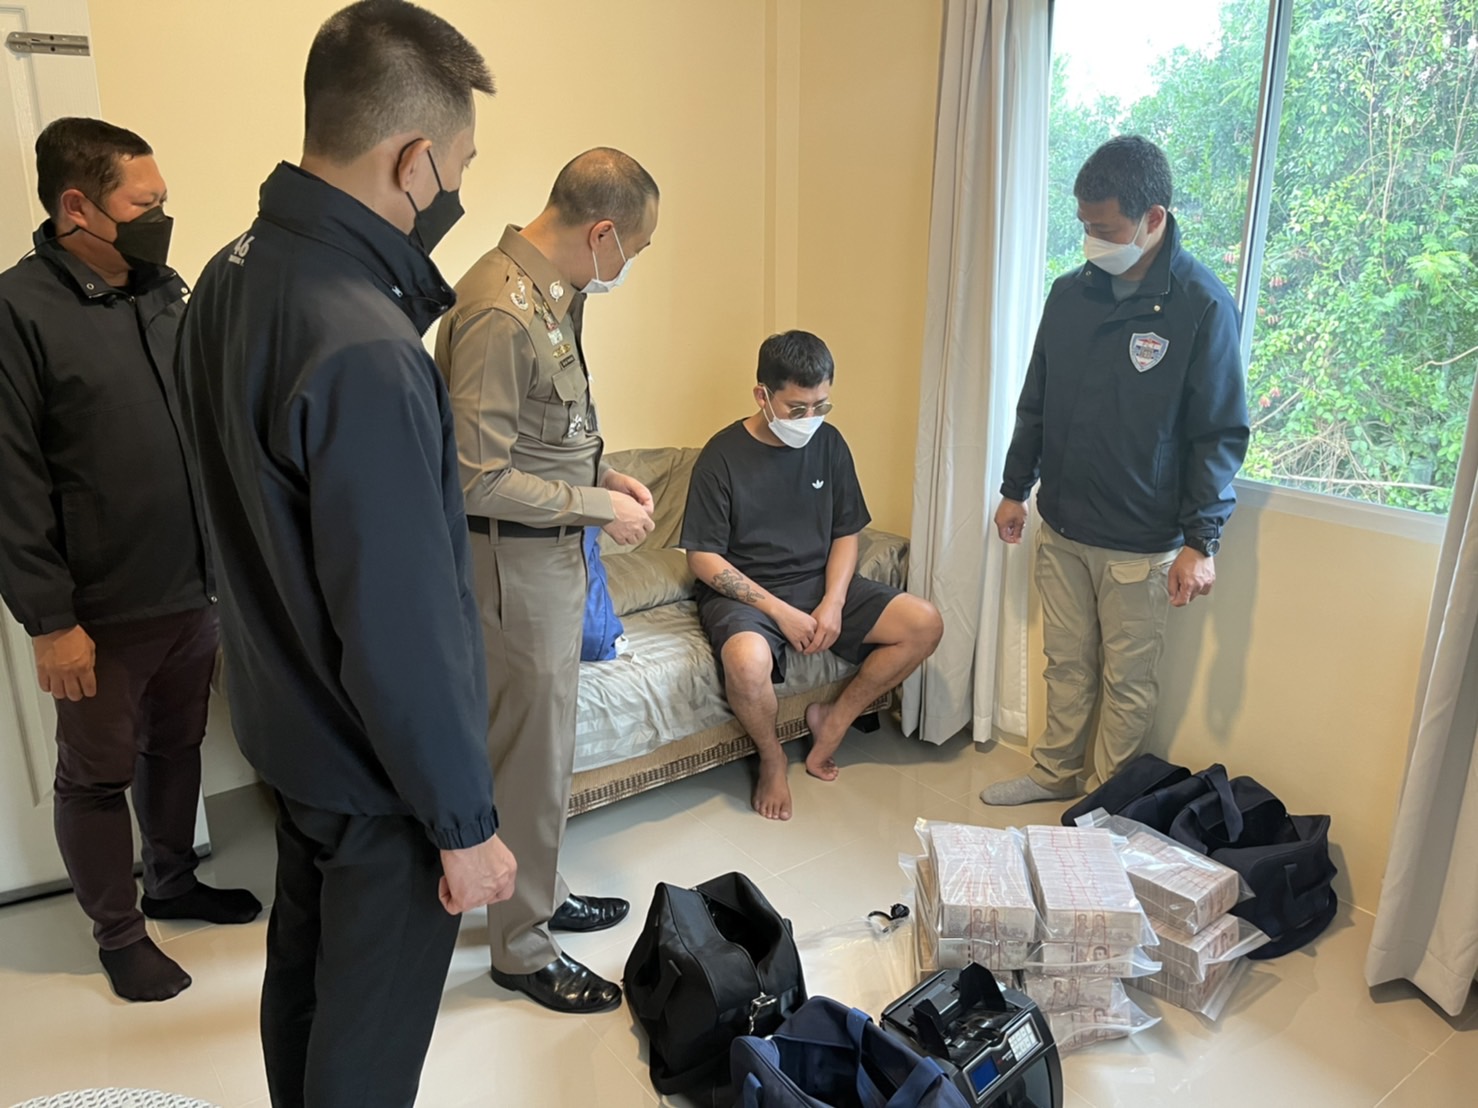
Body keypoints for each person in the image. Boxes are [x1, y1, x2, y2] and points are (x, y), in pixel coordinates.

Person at [175, 3, 515, 1102]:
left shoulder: (230, 273)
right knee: (365, 1040)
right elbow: (402, 624)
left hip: (290, 732)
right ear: (414, 161)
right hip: (379, 778)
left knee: (307, 983)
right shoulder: (365, 342)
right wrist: (463, 826)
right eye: (458, 165)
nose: (455, 190)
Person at [0, 117, 261, 1004]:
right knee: (95, 775)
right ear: (77, 207)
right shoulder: (18, 310)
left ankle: (174, 880)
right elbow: (12, 481)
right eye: (144, 205)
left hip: (194, 588)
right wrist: (51, 621)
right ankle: (119, 934)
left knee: (176, 745)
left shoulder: (163, 293)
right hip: (100, 611)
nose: (162, 220)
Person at [436, 147, 659, 1015]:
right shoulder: (499, 310)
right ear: (602, 233)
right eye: (634, 249)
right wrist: (597, 505)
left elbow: (548, 432)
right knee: (526, 756)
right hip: (511, 564)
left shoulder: (550, 294)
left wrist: (608, 478)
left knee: (546, 748)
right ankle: (522, 951)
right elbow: (477, 478)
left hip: (550, 553)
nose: (630, 265)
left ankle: (540, 891)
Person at [981, 135, 1249, 807]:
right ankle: (1054, 773)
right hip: (1063, 524)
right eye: (1084, 226)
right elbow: (1036, 400)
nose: (1091, 241)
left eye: (1104, 229)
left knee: (1128, 683)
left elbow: (1218, 433)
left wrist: (1201, 541)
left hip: (1143, 540)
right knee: (1065, 664)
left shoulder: (1201, 305)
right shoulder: (1069, 295)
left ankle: (1104, 802)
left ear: (1153, 218)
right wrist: (1015, 490)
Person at [682, 331, 944, 821]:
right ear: (762, 396)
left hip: (817, 581)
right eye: (797, 408)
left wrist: (834, 602)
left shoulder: (830, 443)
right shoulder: (721, 456)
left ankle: (834, 722)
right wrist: (780, 613)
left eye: (821, 405)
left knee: (924, 623)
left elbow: (846, 532)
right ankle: (772, 758)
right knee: (746, 662)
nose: (810, 419)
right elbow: (704, 559)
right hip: (748, 594)